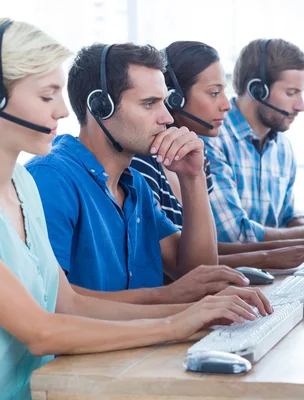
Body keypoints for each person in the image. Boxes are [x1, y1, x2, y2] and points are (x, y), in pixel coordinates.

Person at [0, 18, 271, 400]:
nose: (60, 111)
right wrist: (178, 322)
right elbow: (40, 330)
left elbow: (68, 303)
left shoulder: (21, 187)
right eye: (46, 96)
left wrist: (200, 315)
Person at [26, 43, 262, 304]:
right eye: (149, 104)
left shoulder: (135, 186)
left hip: (149, 343)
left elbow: (198, 277)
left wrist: (192, 178)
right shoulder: (51, 179)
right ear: (100, 106)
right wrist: (165, 297)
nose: (168, 118)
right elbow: (49, 300)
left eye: (164, 102)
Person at [130, 41, 304, 270]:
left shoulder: (195, 161)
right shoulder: (143, 167)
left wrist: (295, 248)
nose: (226, 104)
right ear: (174, 99)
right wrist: (268, 256)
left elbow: (207, 252)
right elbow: (184, 265)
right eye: (214, 93)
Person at [203, 38, 304, 243]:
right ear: (258, 90)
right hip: (232, 273)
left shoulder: (282, 148)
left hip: (274, 272)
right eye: (291, 93)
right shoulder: (213, 140)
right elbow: (235, 235)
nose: (301, 106)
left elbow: (287, 221)